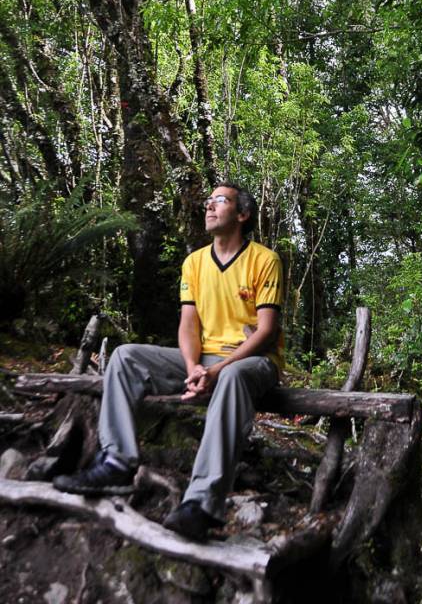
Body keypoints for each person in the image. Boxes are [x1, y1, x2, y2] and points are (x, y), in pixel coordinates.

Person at [54, 183, 283, 542]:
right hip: (204, 359)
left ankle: (201, 506)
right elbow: (188, 324)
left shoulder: (264, 260)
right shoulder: (194, 262)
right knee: (127, 356)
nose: (209, 206)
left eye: (219, 201)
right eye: (208, 201)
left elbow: (266, 331)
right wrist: (194, 366)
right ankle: (116, 462)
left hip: (252, 361)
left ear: (242, 214)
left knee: (234, 375)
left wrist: (215, 370)